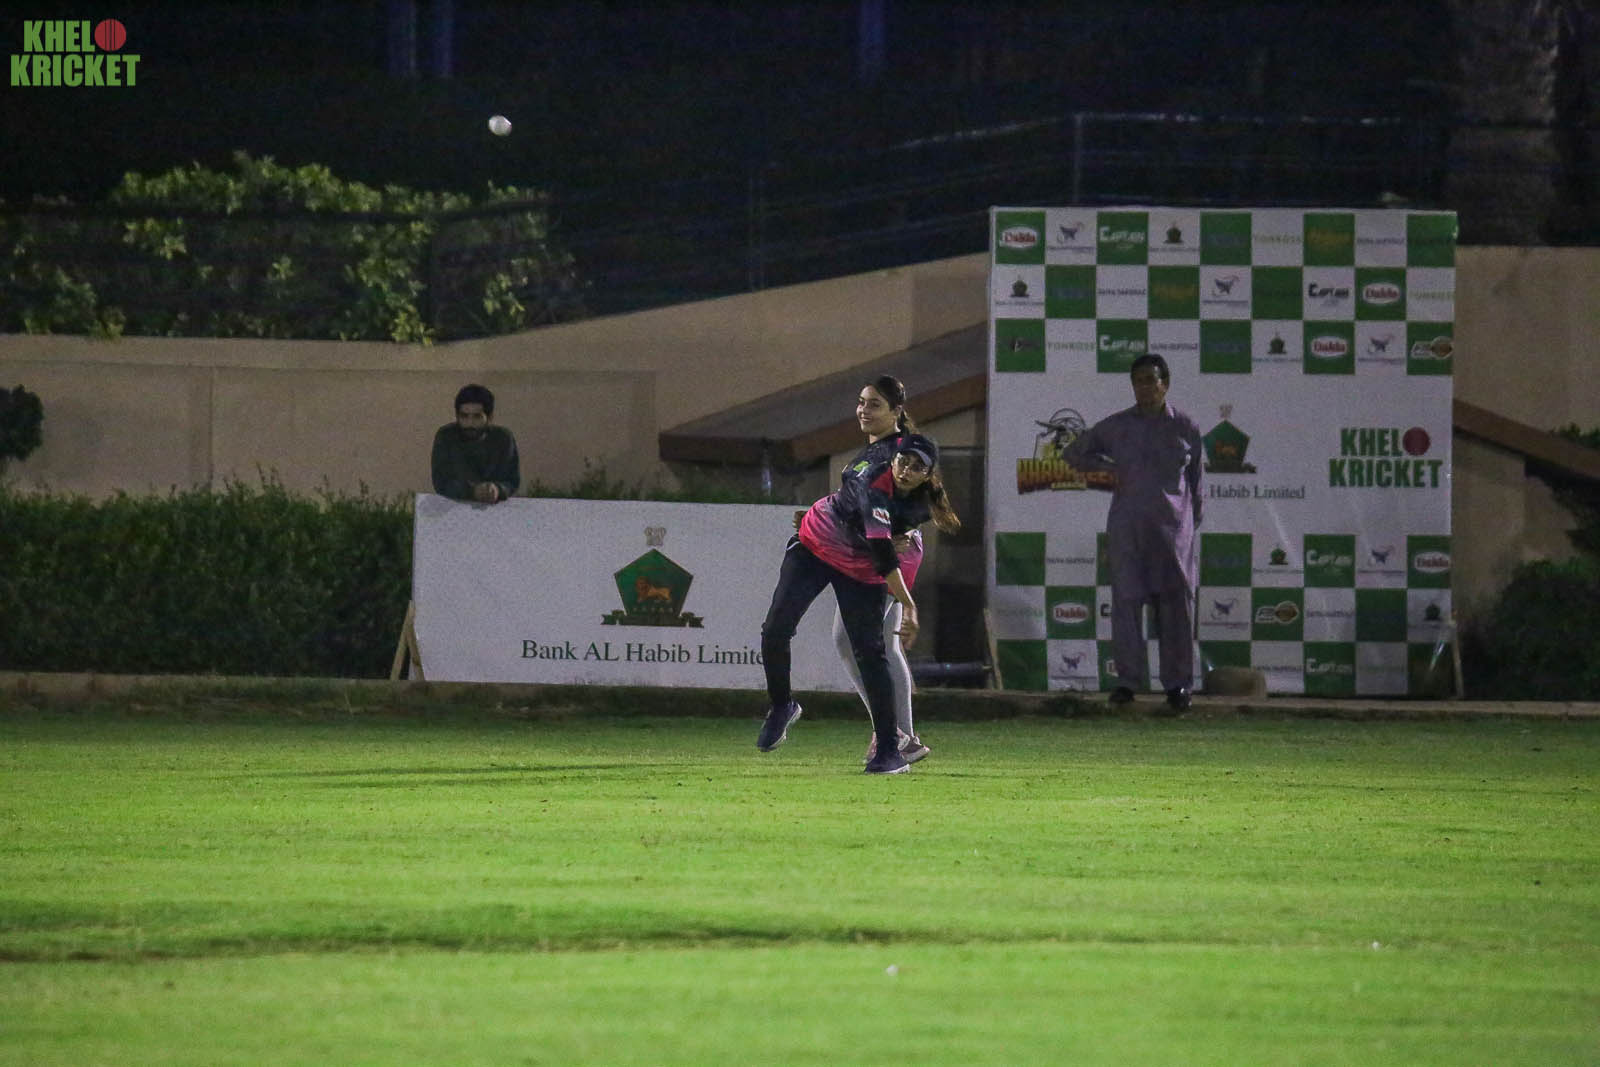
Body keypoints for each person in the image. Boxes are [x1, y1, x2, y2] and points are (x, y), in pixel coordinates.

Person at [757, 433, 947, 774]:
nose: (906, 470)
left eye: (917, 467)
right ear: (893, 460)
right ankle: (782, 705)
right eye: (903, 462)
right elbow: (880, 546)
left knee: (870, 651)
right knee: (775, 629)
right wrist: (909, 605)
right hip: (817, 547)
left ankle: (890, 750)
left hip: (860, 566)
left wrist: (906, 600)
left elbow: (883, 555)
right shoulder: (875, 480)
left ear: (927, 475)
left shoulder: (918, 506)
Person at [827, 375, 961, 764]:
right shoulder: (883, 449)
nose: (863, 410)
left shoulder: (895, 451)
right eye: (861, 402)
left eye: (874, 405)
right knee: (882, 645)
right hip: (883, 549)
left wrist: (889, 534)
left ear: (897, 412)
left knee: (849, 640)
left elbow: (897, 504)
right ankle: (905, 737)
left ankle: (893, 732)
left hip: (888, 554)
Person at [1059, 354, 1203, 713]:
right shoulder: (1117, 426)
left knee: (1175, 609)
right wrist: (1109, 471)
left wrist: (1189, 525)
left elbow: (1197, 485)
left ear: (1165, 384)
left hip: (1173, 532)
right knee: (1126, 604)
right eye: (1138, 381)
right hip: (1128, 529)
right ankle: (1127, 682)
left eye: (1151, 380)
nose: (1145, 387)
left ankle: (1178, 686)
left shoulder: (1185, 426)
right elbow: (1073, 453)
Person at [430, 384, 520, 504]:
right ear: (457, 416)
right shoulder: (446, 437)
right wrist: (472, 491)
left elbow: (512, 481)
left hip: (495, 508)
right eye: (464, 416)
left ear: (489, 417)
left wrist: (498, 489)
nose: (470, 423)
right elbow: (441, 482)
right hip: (455, 507)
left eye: (477, 417)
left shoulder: (504, 438)